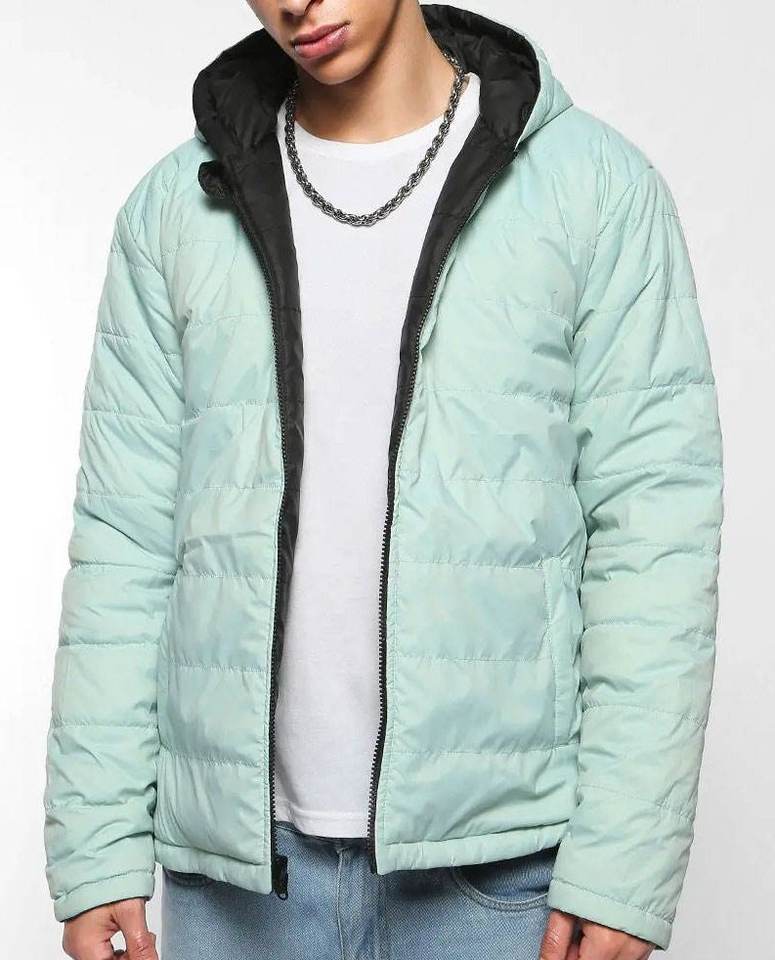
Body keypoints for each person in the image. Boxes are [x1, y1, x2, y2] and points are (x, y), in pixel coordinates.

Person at [44, 2, 723, 958]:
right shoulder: (176, 209)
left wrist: (624, 862)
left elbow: (654, 536)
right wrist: (99, 845)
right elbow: (125, 540)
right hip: (238, 884)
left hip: (502, 876)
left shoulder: (592, 189)